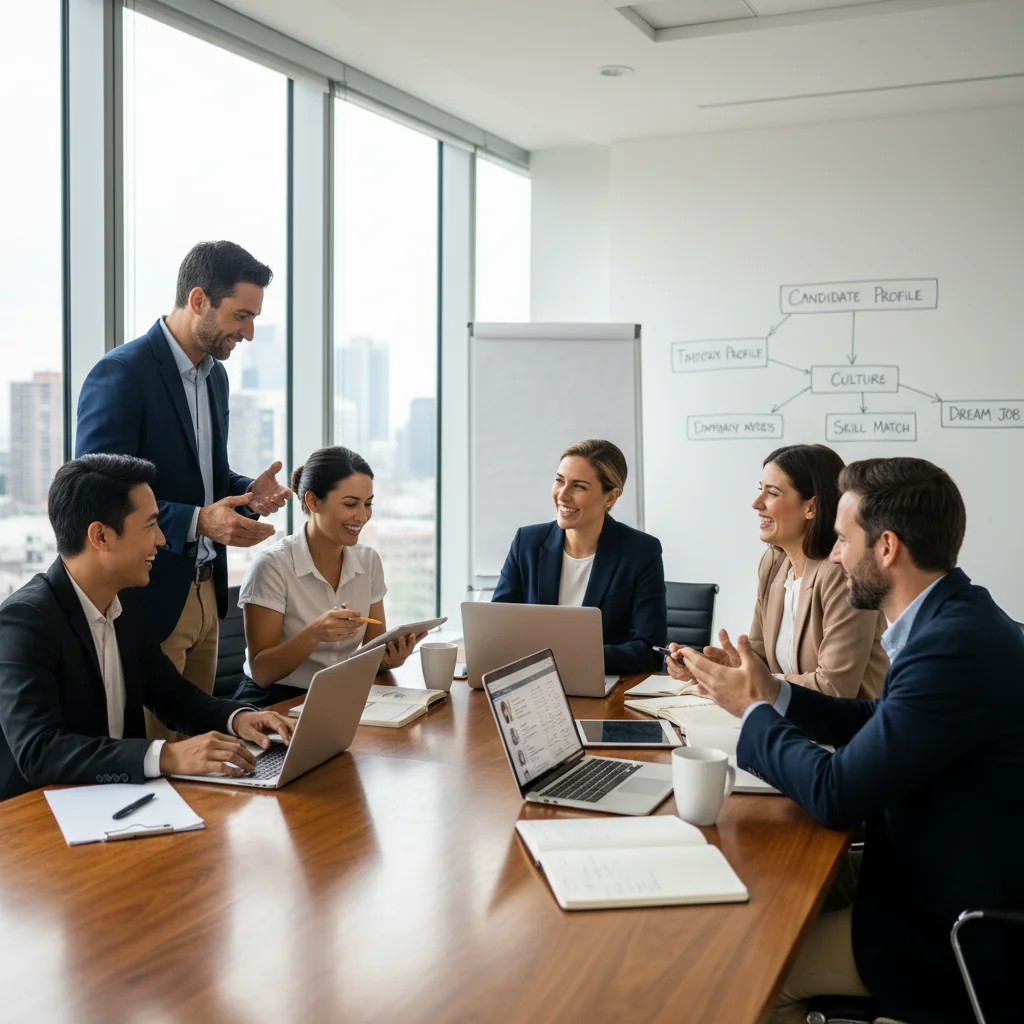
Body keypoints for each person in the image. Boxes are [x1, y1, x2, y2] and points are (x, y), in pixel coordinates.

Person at [678, 457, 1024, 1024]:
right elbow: (879, 719)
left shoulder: (951, 647)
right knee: (767, 902)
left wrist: (754, 710)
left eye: (842, 540)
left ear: (886, 547)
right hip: (929, 867)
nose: (834, 555)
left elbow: (836, 794)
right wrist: (774, 692)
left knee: (754, 973)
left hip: (951, 928)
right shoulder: (956, 617)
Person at [75, 241, 292, 739]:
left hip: (205, 593)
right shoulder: (122, 374)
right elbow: (99, 491)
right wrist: (198, 520)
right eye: (241, 316)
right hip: (149, 597)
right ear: (198, 300)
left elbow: (204, 480)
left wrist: (244, 492)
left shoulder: (214, 379)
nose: (250, 333)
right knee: (162, 756)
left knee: (204, 752)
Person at [0, 455, 294, 802]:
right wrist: (168, 755)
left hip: (119, 800)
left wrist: (241, 718)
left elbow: (173, 696)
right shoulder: (24, 620)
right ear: (101, 536)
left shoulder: (127, 604)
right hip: (40, 820)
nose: (162, 539)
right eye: (150, 525)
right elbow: (40, 751)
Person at [667, 444, 887, 698]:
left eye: (771, 493)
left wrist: (750, 680)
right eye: (760, 490)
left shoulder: (842, 573)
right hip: (791, 721)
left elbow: (834, 688)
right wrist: (719, 669)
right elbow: (760, 662)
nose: (756, 503)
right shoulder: (773, 564)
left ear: (811, 508)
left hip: (844, 731)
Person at [233, 447, 425, 707]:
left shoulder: (368, 561)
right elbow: (262, 672)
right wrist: (315, 632)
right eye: (350, 504)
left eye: (368, 504)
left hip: (335, 693)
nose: (362, 516)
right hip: (274, 699)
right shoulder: (272, 566)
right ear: (312, 501)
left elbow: (373, 648)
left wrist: (388, 659)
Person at [491, 439, 667, 675]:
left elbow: (650, 651)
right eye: (559, 481)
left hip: (603, 688)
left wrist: (565, 659)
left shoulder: (640, 551)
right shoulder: (528, 542)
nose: (562, 495)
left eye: (579, 487)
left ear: (610, 497)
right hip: (534, 684)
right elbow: (497, 629)